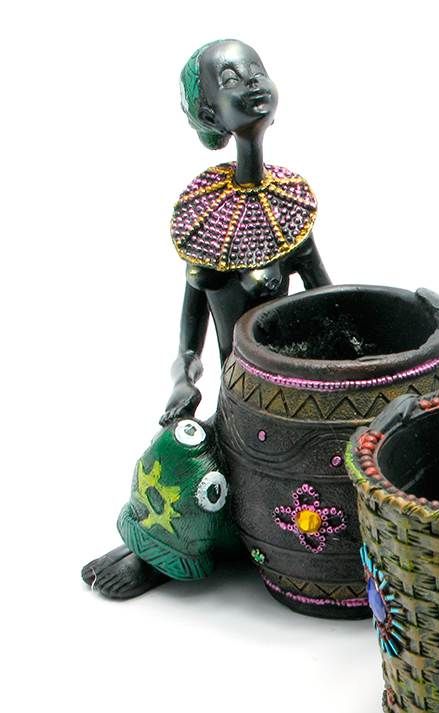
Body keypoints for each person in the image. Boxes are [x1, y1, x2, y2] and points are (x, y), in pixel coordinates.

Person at [82, 39, 330, 600]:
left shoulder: (288, 212)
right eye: (232, 80)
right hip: (235, 393)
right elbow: (188, 339)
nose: (253, 83)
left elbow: (330, 303)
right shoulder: (208, 221)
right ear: (210, 114)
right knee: (180, 456)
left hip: (293, 389)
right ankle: (156, 551)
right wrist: (182, 378)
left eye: (256, 70)